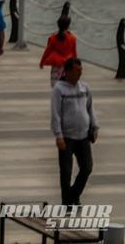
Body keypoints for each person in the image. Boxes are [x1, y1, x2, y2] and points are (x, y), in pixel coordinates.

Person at [51, 58, 98, 207]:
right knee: (66, 171)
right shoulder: (59, 89)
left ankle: (75, 194)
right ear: (68, 71)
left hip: (83, 136)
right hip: (66, 137)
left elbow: (91, 108)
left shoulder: (84, 88)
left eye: (81, 70)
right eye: (77, 70)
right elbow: (55, 113)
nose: (80, 73)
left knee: (87, 167)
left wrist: (95, 127)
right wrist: (58, 135)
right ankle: (67, 201)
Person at [40, 15, 78, 85]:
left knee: (55, 85)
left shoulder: (53, 38)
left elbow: (47, 51)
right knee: (67, 84)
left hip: (56, 64)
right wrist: (76, 65)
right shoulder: (72, 38)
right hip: (68, 65)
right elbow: (74, 52)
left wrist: (42, 62)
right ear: (68, 25)